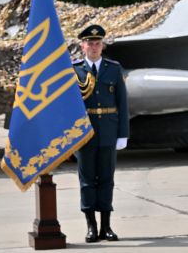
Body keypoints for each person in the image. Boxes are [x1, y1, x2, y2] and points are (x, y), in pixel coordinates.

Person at [73, 24, 130, 243]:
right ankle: (91, 227)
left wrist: (122, 134)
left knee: (106, 178)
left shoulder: (113, 68)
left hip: (108, 129)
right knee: (87, 180)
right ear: (82, 45)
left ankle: (106, 227)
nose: (94, 47)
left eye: (98, 43)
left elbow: (122, 103)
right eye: (90, 43)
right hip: (84, 132)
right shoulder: (74, 69)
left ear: (102, 45)